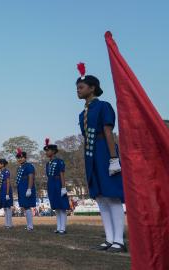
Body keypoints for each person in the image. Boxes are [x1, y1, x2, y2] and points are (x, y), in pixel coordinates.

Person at [76, 63, 125, 253]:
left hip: (104, 150)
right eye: (77, 88)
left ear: (92, 88)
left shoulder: (103, 106)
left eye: (81, 87)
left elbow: (107, 132)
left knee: (112, 196)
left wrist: (114, 158)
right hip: (90, 153)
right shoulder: (82, 114)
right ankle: (109, 238)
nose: (78, 91)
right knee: (100, 197)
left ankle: (119, 240)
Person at [44, 138, 70, 234]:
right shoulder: (48, 163)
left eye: (48, 150)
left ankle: (63, 227)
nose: (46, 152)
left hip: (58, 182)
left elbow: (62, 174)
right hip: (51, 183)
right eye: (46, 151)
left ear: (54, 151)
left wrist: (63, 187)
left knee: (62, 206)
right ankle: (59, 227)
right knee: (56, 207)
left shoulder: (59, 161)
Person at [15, 148, 37, 231]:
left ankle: (30, 226)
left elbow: (31, 177)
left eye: (21, 157)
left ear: (25, 157)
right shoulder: (19, 168)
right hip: (21, 187)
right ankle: (28, 225)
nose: (20, 159)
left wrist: (29, 189)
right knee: (24, 207)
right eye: (18, 158)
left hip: (26, 187)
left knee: (27, 207)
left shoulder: (29, 166)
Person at [0, 157, 13, 228]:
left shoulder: (6, 171)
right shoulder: (1, 172)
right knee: (5, 208)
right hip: (2, 189)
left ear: (2, 164)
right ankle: (6, 223)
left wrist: (7, 193)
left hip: (6, 188)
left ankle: (9, 224)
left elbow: (8, 182)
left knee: (8, 207)